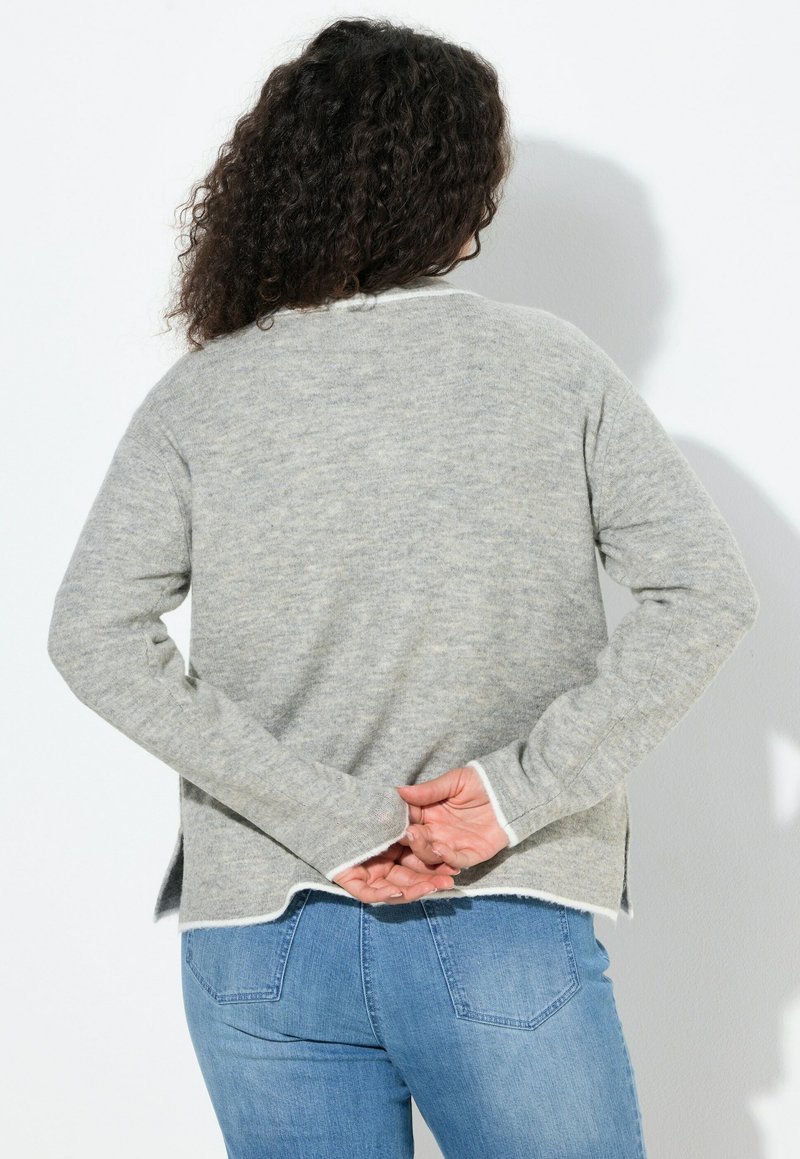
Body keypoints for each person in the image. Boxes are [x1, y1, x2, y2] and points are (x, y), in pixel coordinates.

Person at [47, 16, 759, 1159]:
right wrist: (513, 796)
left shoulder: (206, 392)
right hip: (496, 908)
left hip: (262, 932)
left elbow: (93, 635)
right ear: (453, 189)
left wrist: (325, 820)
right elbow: (702, 592)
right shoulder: (550, 366)